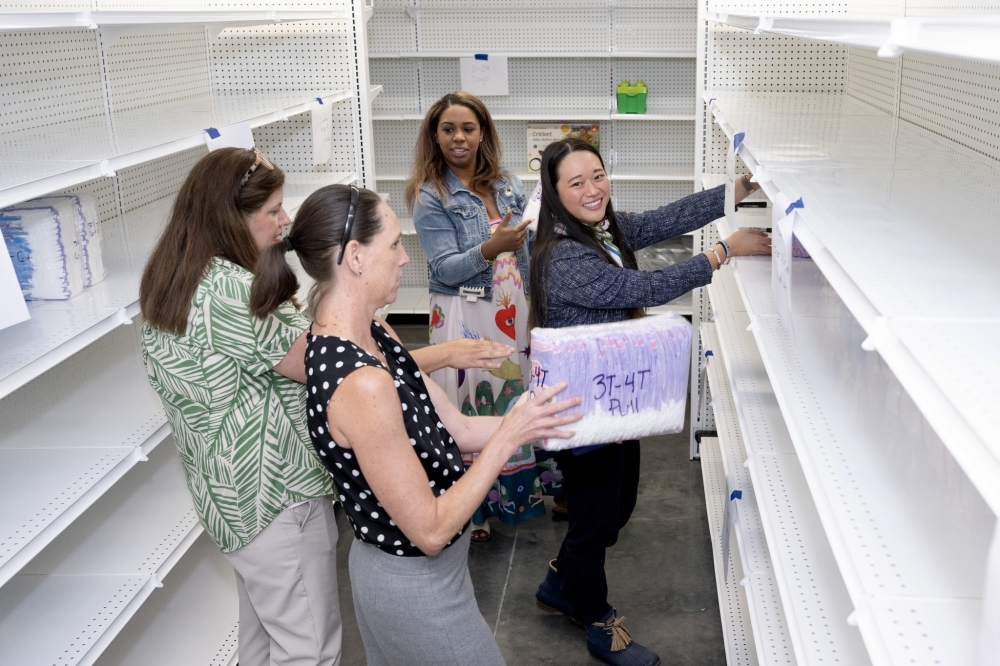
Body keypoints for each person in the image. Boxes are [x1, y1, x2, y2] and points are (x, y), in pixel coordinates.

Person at [138, 148, 514, 666]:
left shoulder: (180, 278)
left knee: (264, 638)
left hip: (226, 495)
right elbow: (338, 369)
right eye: (271, 209)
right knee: (309, 649)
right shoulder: (233, 293)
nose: (284, 221)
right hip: (276, 496)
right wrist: (445, 355)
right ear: (230, 217)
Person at [248, 183, 582, 666]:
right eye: (394, 245)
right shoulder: (361, 383)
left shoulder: (375, 333)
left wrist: (546, 419)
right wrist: (511, 433)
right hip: (413, 586)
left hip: (428, 577)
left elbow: (458, 430)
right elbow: (429, 528)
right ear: (355, 257)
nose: (405, 258)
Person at [527, 138, 771, 666]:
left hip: (613, 398)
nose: (593, 190)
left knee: (615, 510)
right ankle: (595, 618)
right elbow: (645, 288)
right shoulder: (564, 257)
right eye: (576, 183)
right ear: (554, 193)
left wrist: (742, 187)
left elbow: (668, 218)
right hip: (581, 411)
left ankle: (560, 582)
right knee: (595, 523)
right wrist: (723, 252)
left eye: (598, 175)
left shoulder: (601, 229)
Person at [407, 91, 566, 542]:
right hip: (464, 311)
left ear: (482, 134)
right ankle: (473, 508)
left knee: (521, 388)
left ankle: (541, 486)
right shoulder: (430, 194)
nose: (458, 137)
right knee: (470, 397)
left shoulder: (506, 182)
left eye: (467, 128)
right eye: (448, 129)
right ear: (435, 136)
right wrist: (489, 249)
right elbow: (444, 268)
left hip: (513, 305)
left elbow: (530, 243)